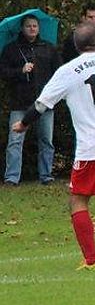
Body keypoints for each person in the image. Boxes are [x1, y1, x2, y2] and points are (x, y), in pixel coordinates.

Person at [13, 22, 95, 270]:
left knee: (78, 200)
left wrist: (23, 123)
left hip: (94, 145)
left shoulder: (69, 70)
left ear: (76, 47)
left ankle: (92, 260)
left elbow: (42, 105)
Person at [1, 14, 62, 185]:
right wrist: (20, 71)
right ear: (22, 28)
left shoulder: (48, 48)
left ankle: (46, 175)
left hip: (44, 102)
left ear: (39, 28)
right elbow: (3, 72)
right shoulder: (11, 49)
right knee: (15, 141)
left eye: (35, 26)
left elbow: (59, 74)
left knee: (46, 140)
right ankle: (12, 177)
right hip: (20, 102)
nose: (32, 29)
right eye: (28, 26)